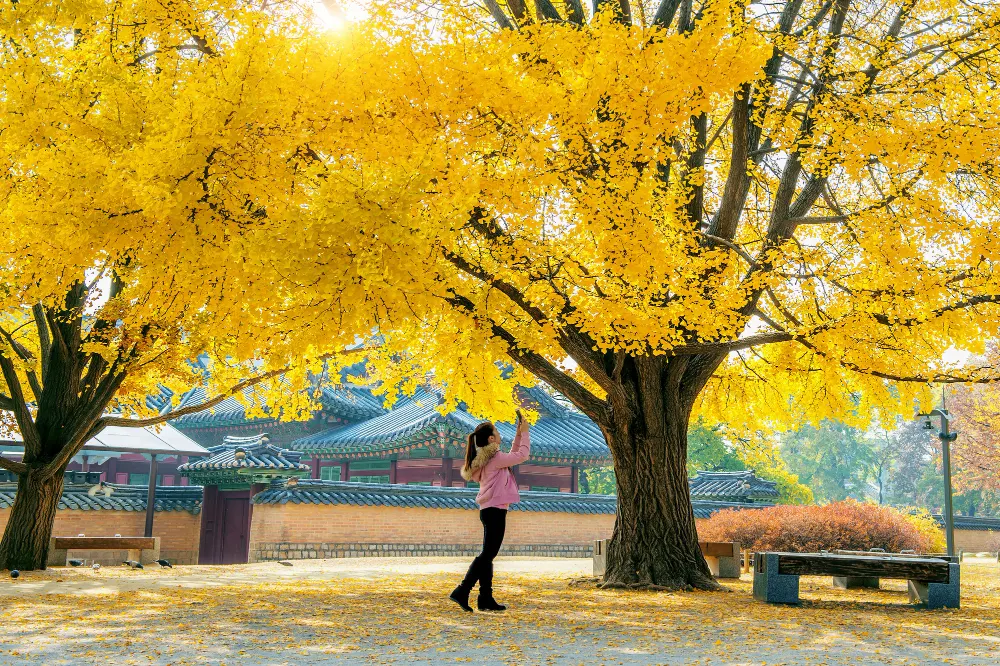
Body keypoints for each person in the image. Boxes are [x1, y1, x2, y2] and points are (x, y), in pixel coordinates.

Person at [449, 412, 530, 612]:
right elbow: (521, 455)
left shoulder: (490, 458)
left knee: (488, 555)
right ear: (491, 438)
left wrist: (519, 434)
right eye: (497, 432)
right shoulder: (495, 459)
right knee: (487, 554)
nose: (500, 434)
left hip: (489, 510)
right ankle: (462, 590)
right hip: (495, 511)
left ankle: (485, 597)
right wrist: (526, 434)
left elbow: (511, 455)